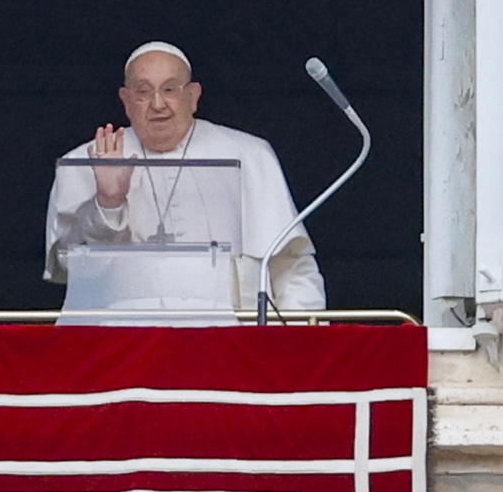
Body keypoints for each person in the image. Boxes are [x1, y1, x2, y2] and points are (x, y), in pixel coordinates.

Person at [44, 41, 326, 310]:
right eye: (143, 92)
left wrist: (297, 345)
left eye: (170, 89)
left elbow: (291, 267)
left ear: (193, 96)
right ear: (126, 100)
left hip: (232, 342)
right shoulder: (85, 161)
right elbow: (72, 267)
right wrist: (108, 201)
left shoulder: (250, 154)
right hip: (124, 345)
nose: (157, 104)